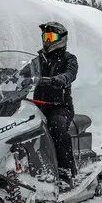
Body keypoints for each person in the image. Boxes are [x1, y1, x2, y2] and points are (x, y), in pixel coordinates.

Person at [31, 21, 78, 186]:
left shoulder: (69, 59)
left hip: (60, 107)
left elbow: (70, 74)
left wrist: (59, 79)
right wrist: (10, 75)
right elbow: (25, 72)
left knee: (56, 127)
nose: (48, 40)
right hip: (37, 105)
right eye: (46, 36)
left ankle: (66, 171)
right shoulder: (39, 59)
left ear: (61, 38)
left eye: (51, 36)